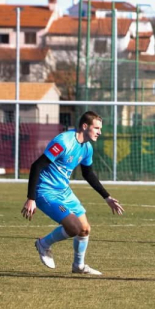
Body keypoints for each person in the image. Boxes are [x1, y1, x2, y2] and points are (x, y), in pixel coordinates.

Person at [21, 111, 124, 275]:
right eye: (96, 128)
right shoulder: (63, 142)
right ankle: (43, 244)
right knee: (74, 227)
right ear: (85, 126)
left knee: (85, 229)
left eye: (100, 128)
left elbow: (88, 174)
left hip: (64, 191)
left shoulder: (87, 148)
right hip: (46, 192)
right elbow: (37, 166)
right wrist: (31, 198)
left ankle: (78, 266)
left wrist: (107, 197)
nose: (99, 132)